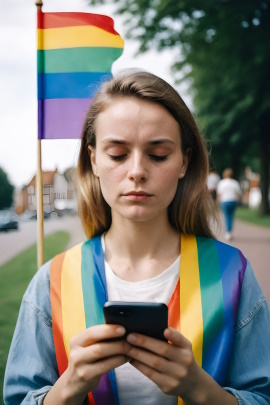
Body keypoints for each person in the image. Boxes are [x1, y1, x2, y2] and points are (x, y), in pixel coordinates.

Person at [4, 70, 270, 405]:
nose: (137, 171)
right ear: (94, 159)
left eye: (158, 154)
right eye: (117, 154)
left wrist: (201, 390)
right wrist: (67, 388)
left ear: (185, 161)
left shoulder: (233, 274)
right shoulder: (51, 283)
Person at [217, 168, 242, 241]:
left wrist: (218, 202)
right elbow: (238, 194)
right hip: (233, 201)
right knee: (231, 217)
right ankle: (229, 232)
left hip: (224, 201)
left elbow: (219, 194)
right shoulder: (235, 183)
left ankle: (228, 232)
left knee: (226, 216)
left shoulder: (222, 183)